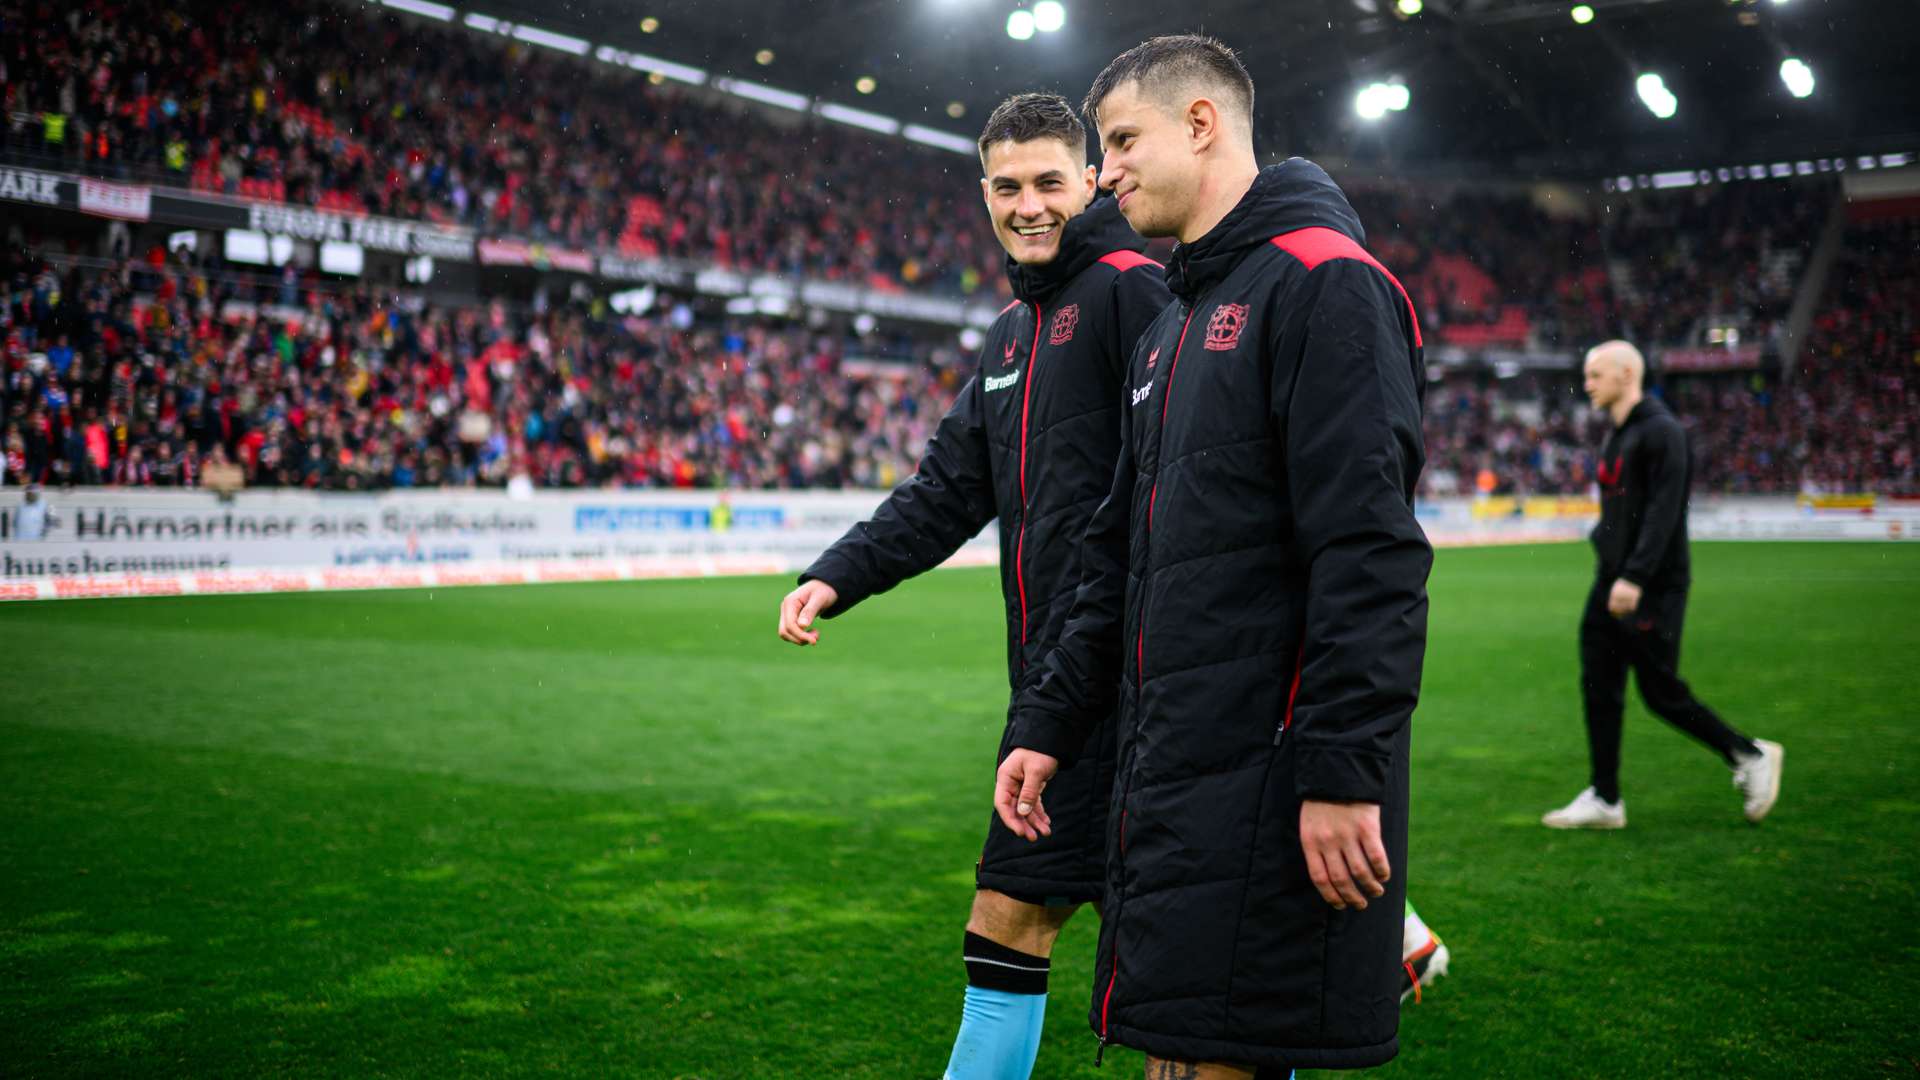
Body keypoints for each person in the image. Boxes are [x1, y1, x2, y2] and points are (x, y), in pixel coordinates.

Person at [993, 35, 1432, 1077]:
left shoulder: (1329, 285)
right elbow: (1118, 554)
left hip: (1269, 780)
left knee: (1210, 1054)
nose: (1104, 174)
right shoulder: (1172, 321)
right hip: (1177, 775)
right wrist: (1051, 720)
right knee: (1180, 1048)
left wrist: (1338, 769)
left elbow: (1369, 555)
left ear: (1201, 123)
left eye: (1120, 141)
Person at [775, 93, 1171, 1080]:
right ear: (983, 193)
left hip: (1145, 684)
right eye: (1008, 185)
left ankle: (1387, 932)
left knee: (1180, 968)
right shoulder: (1010, 334)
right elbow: (948, 490)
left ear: (1089, 183)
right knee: (1009, 918)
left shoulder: (1133, 291)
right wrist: (836, 576)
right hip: (1054, 691)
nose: (1029, 204)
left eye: (1049, 181)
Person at [1541, 341, 1783, 829]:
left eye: (1594, 374)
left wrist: (1634, 576)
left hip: (1648, 584)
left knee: (1660, 691)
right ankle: (1605, 798)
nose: (1586, 384)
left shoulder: (1662, 432)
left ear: (1627, 373)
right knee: (1598, 683)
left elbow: (1663, 514)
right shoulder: (1621, 434)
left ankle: (1750, 754)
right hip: (1610, 579)